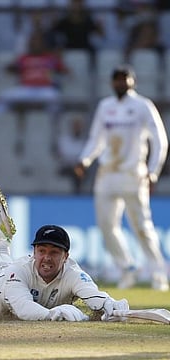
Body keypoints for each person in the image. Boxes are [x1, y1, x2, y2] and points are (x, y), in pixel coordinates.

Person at [0, 184, 130, 321]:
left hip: (7, 275)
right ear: (34, 252)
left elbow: (93, 295)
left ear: (66, 257)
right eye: (42, 250)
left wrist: (109, 304)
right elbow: (23, 308)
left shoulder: (74, 274)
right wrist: (52, 314)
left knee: (4, 268)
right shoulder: (20, 271)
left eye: (54, 252)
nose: (47, 257)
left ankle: (1, 240)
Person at [74, 65, 169, 291]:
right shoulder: (105, 106)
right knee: (106, 226)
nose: (120, 83)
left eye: (124, 79)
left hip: (133, 173)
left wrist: (153, 171)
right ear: (111, 83)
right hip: (107, 173)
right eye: (116, 80)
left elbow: (160, 140)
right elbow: (96, 138)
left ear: (132, 82)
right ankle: (127, 268)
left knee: (142, 227)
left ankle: (158, 274)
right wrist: (85, 160)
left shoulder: (142, 106)